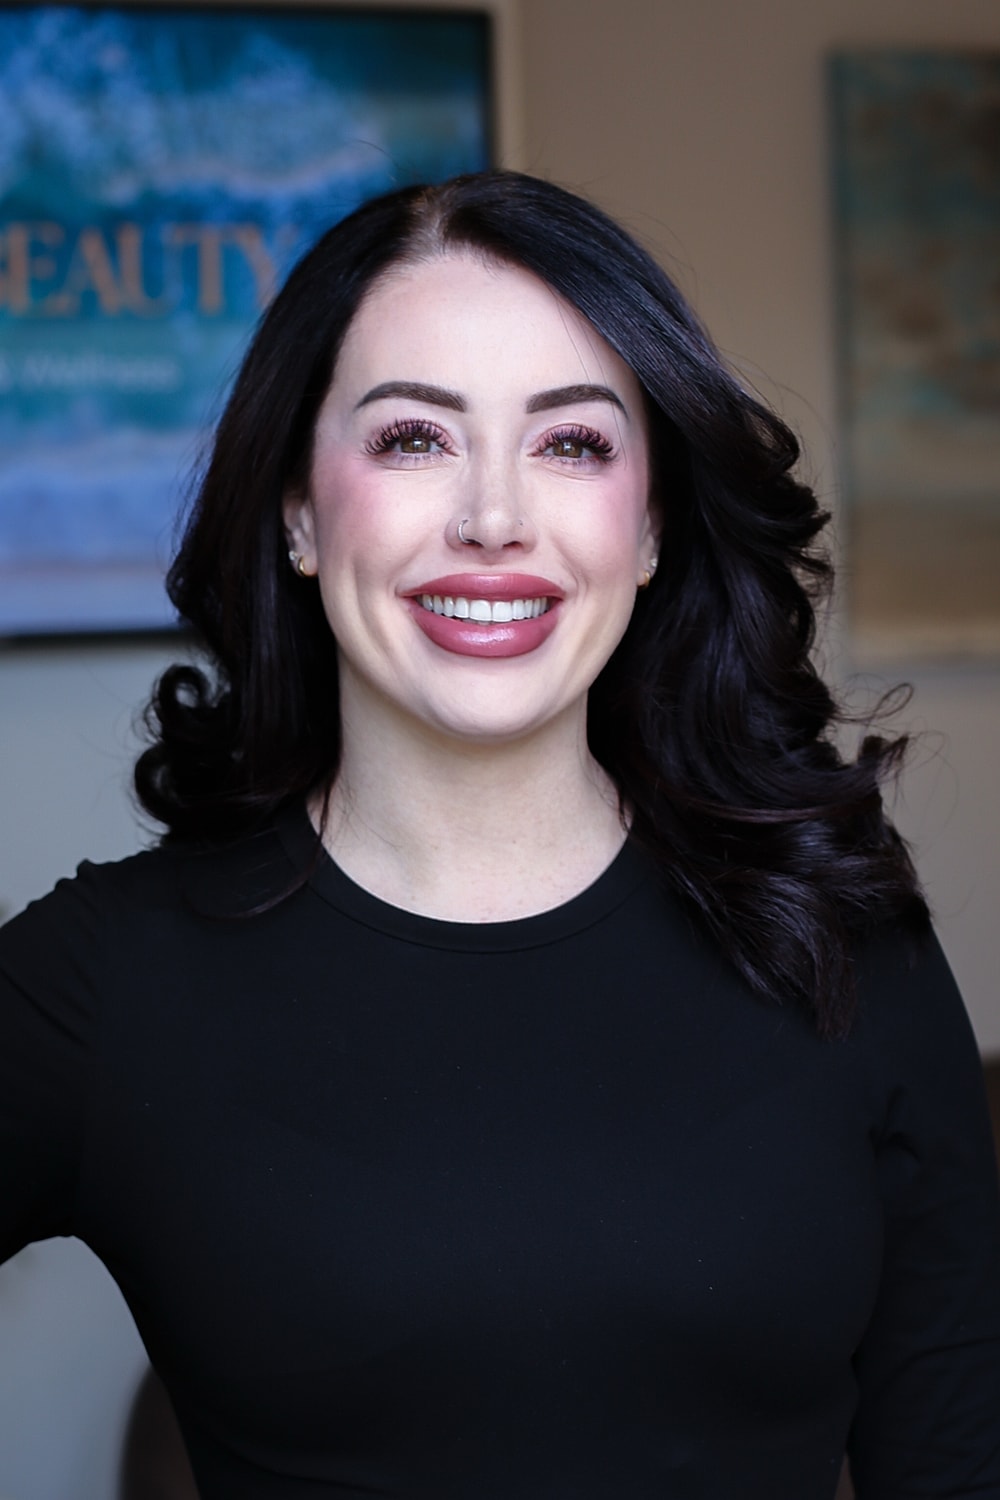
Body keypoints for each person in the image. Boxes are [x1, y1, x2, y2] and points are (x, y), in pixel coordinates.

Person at [2, 170, 999, 1500]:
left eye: (573, 444)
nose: (492, 516)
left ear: (649, 525)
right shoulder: (112, 982)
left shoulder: (844, 934)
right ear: (299, 509)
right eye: (413, 438)